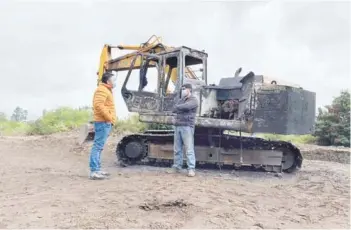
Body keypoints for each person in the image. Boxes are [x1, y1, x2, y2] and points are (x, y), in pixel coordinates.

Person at [89, 72, 117, 180]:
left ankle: (97, 169)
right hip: (103, 122)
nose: (115, 83)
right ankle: (94, 171)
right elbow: (98, 105)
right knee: (97, 146)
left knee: (99, 147)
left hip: (105, 122)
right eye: (113, 80)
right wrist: (109, 117)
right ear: (108, 81)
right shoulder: (102, 90)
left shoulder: (106, 90)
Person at [172, 83, 199, 177]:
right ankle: (177, 167)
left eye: (184, 89)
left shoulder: (194, 100)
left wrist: (179, 107)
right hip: (178, 126)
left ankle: (191, 169)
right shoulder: (181, 100)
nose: (183, 91)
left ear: (189, 90)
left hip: (187, 126)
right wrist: (180, 107)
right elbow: (174, 109)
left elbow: (186, 107)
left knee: (189, 149)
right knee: (177, 149)